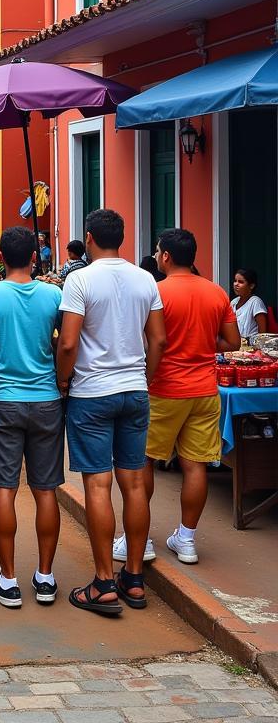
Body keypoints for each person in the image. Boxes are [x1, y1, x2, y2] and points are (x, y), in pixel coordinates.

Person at [57, 209, 167, 615]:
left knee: (98, 487)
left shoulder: (80, 280)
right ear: (121, 238)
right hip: (134, 390)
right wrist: (145, 377)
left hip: (92, 394)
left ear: (88, 238)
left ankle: (104, 582)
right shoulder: (145, 278)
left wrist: (63, 381)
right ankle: (134, 580)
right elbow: (158, 339)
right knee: (135, 483)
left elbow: (68, 344)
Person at [129, 229, 240, 569]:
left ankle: (141, 539)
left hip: (163, 389)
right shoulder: (216, 292)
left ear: (165, 257)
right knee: (195, 465)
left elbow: (147, 341)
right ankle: (187, 540)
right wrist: (204, 347)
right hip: (205, 390)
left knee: (143, 462)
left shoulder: (155, 291)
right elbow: (233, 341)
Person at [0, 227, 64, 608]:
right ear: (35, 258)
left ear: (1, 257)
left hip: (3, 400)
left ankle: (7, 580)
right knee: (46, 489)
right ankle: (45, 577)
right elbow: (64, 342)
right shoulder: (53, 295)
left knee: (4, 488)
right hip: (47, 401)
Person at [231, 267, 268, 339]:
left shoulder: (255, 302)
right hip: (236, 345)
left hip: (250, 346)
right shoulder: (233, 302)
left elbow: (262, 333)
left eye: (241, 282)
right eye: (235, 281)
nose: (236, 284)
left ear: (251, 286)